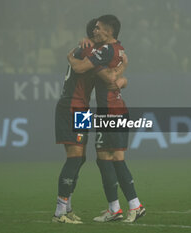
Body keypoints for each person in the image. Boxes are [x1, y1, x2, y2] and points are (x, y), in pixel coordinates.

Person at [68, 14, 145, 223]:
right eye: (93, 28)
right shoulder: (119, 49)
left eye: (98, 28)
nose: (94, 31)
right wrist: (122, 76)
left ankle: (134, 205)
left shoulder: (105, 50)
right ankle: (115, 209)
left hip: (111, 111)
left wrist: (71, 55)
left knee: (115, 159)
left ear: (110, 30)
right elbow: (118, 76)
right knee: (103, 159)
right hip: (111, 109)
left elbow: (80, 68)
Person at [53, 18, 127, 224]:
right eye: (96, 30)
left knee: (81, 157)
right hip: (71, 105)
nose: (98, 32)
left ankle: (67, 208)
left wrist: (120, 74)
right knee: (75, 157)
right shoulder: (89, 51)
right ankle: (60, 212)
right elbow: (103, 74)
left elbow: (112, 71)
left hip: (81, 108)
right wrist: (119, 74)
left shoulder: (90, 50)